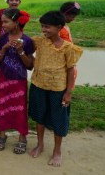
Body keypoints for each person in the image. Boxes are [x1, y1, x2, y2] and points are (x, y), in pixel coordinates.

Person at [28, 11, 83, 167]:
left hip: (58, 89)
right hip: (38, 85)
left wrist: (68, 92)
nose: (43, 29)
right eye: (42, 26)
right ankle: (40, 144)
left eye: (47, 27)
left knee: (58, 119)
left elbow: (71, 70)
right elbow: (24, 43)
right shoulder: (39, 42)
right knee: (40, 116)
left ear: (59, 27)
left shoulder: (68, 48)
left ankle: (57, 150)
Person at [0, 9, 33, 154]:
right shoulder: (2, 39)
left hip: (19, 80)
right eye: (2, 21)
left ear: (16, 23)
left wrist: (20, 51)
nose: (2, 25)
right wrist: (3, 48)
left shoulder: (27, 41)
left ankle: (22, 138)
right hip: (4, 77)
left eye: (6, 22)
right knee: (2, 107)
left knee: (20, 109)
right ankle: (2, 135)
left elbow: (30, 65)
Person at [59, 2, 81, 87]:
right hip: (62, 58)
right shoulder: (58, 28)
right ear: (65, 14)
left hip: (68, 56)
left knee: (71, 73)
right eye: (73, 17)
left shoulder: (64, 26)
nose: (73, 19)